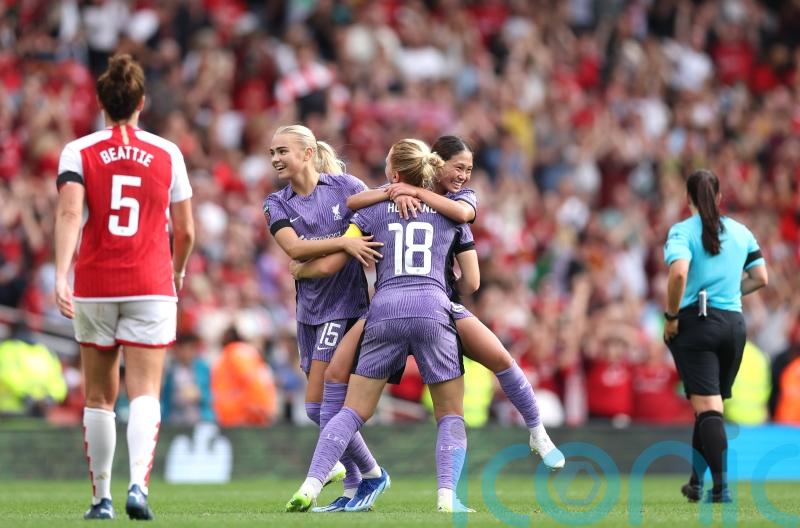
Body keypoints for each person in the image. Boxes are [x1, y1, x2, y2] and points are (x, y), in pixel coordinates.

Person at [295, 136, 565, 471]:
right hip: (417, 305)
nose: (464, 175)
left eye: (469, 168)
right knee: (498, 360)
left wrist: (414, 193)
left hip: (412, 306)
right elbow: (472, 282)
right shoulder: (400, 198)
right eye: (459, 167)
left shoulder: (455, 204)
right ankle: (353, 473)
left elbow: (463, 214)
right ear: (436, 163)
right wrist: (395, 193)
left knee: (338, 376)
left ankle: (538, 432)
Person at [286, 138, 478, 513]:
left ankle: (313, 483)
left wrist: (299, 267)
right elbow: (471, 281)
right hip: (436, 312)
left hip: (383, 313)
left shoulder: (373, 212)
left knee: (346, 409)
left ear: (392, 174)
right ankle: (448, 495)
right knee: (474, 392)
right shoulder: (454, 212)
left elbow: (339, 243)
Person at [54, 54, 195, 520]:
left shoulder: (79, 151)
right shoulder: (167, 152)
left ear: (101, 102)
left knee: (99, 397)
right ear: (141, 102)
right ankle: (138, 486)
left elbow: (70, 213)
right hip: (151, 282)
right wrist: (176, 271)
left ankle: (101, 500)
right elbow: (187, 230)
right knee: (146, 393)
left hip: (95, 282)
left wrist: (60, 275)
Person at [263, 124, 385, 508]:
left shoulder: (346, 187)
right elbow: (294, 248)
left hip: (345, 308)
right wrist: (344, 243)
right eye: (272, 153)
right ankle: (359, 481)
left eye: (282, 150)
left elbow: (379, 218)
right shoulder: (275, 203)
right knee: (321, 408)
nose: (276, 159)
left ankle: (367, 475)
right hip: (308, 313)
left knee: (317, 406)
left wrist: (314, 263)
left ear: (307, 152)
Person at [663, 169, 768, 503]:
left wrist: (671, 316)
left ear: (688, 198)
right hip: (734, 324)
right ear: (719, 196)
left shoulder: (683, 231)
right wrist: (730, 289)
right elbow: (761, 277)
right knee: (707, 404)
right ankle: (696, 483)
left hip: (699, 321)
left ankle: (721, 488)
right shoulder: (741, 232)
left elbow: (679, 272)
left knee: (708, 408)